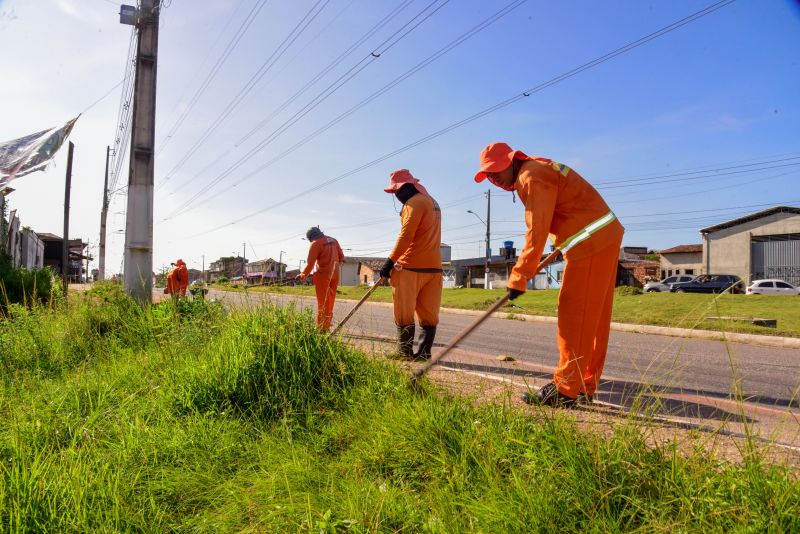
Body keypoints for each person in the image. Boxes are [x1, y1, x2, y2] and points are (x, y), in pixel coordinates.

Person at [474, 142, 624, 407]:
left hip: (590, 243)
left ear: (511, 160)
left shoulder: (531, 175)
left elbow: (536, 230)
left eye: (496, 170)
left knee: (574, 316)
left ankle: (565, 390)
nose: (493, 178)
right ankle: (583, 386)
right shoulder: (538, 168)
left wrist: (519, 276)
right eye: (488, 174)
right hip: (599, 237)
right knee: (592, 319)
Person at [380, 169, 442, 360]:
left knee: (403, 311)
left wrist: (389, 262)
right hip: (434, 269)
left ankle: (404, 352)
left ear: (406, 187)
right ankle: (424, 353)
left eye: (396, 191)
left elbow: (406, 236)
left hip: (409, 267)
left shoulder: (413, 203)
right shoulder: (433, 202)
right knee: (429, 315)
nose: (396, 195)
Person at [297, 227, 345, 331]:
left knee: (323, 302)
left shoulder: (315, 243)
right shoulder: (333, 240)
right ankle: (327, 324)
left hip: (323, 275)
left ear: (311, 237)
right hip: (335, 275)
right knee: (330, 301)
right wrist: (334, 266)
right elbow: (342, 257)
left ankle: (321, 328)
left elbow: (310, 265)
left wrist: (302, 275)